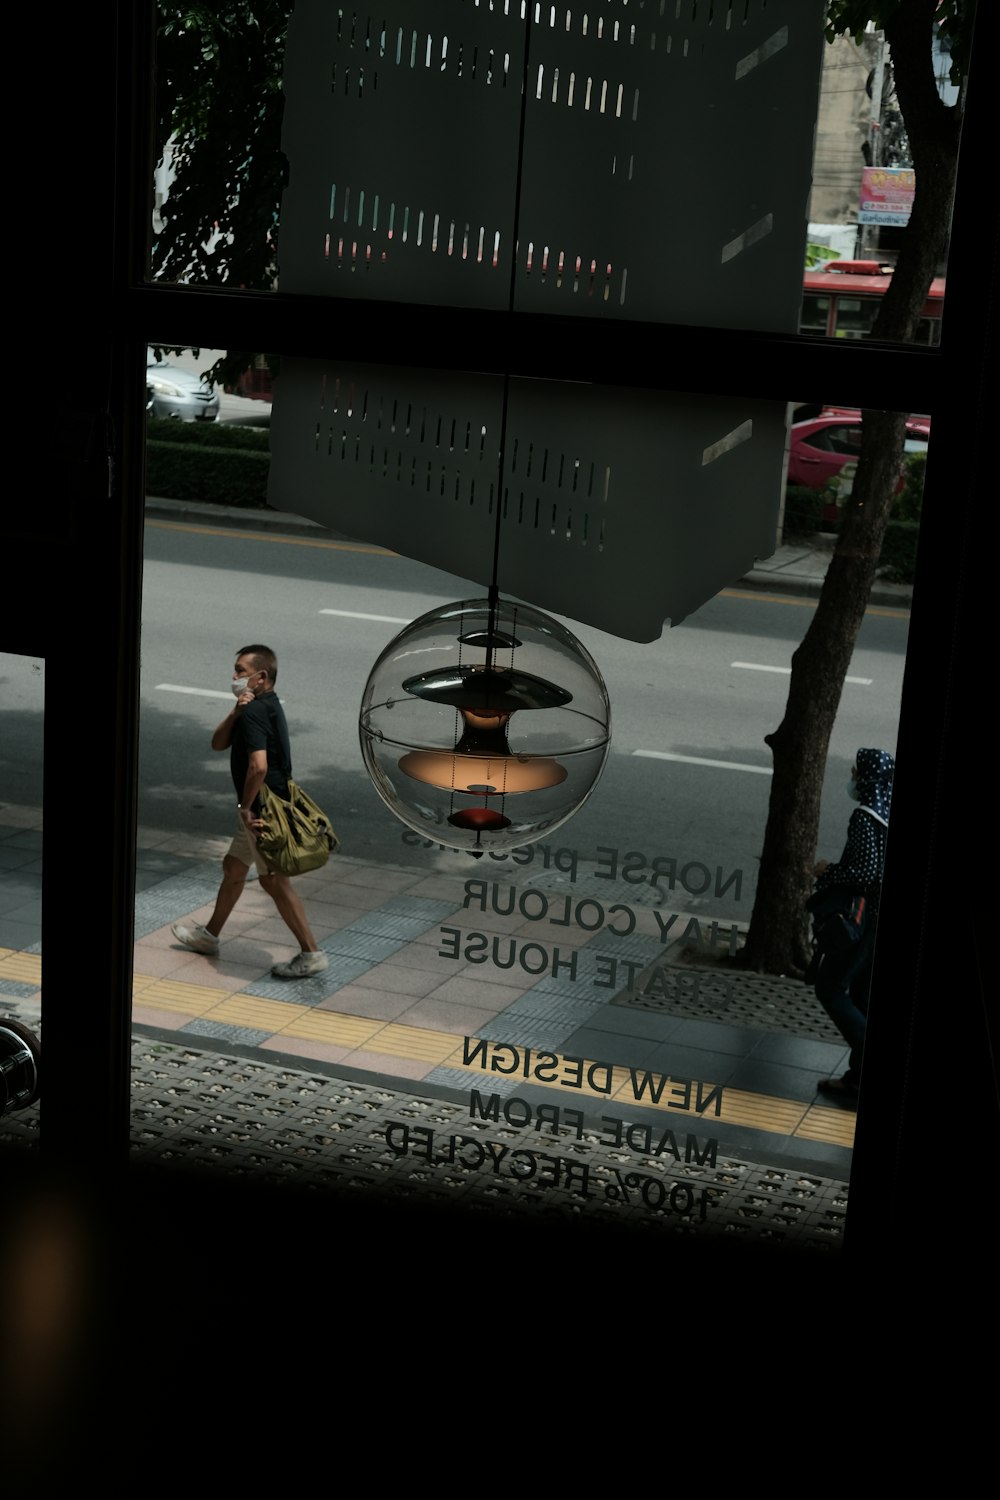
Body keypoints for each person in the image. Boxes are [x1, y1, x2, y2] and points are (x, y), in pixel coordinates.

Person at [171, 644, 329, 979]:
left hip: (259, 811)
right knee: (233, 867)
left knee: (274, 882)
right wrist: (235, 711)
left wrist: (245, 807)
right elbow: (218, 743)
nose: (234, 676)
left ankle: (311, 953)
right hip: (260, 806)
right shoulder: (260, 706)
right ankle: (209, 936)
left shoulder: (257, 712)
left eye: (240, 670)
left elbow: (258, 766)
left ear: (261, 676)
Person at [807, 747, 894, 1105]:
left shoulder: (865, 816)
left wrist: (827, 871)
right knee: (861, 994)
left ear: (867, 778)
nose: (853, 778)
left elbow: (864, 872)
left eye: (857, 772)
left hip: (862, 919)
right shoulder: (886, 812)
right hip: (876, 917)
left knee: (830, 988)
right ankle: (856, 1080)